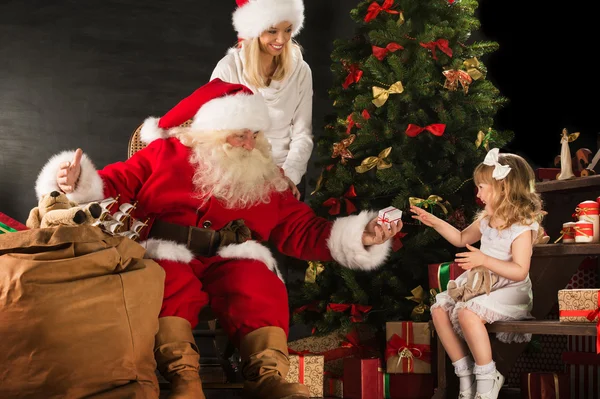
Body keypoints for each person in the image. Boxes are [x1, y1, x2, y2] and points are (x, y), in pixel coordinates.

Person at [35, 78, 401, 399]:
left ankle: (268, 377)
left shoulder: (265, 175)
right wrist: (75, 182)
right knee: (166, 278)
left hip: (231, 254)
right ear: (210, 131)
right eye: (238, 133)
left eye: (254, 134)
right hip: (165, 248)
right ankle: (183, 378)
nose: (247, 143)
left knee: (257, 279)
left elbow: (301, 229)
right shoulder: (163, 154)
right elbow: (113, 185)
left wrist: (362, 236)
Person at [410, 148, 544, 399]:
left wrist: (483, 259)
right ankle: (465, 376)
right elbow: (461, 238)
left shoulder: (522, 227)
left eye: (483, 187)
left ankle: (487, 375)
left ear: (503, 189)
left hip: (510, 290)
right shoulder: (487, 220)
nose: (478, 193)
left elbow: (519, 271)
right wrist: (435, 221)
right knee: (439, 310)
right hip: (484, 286)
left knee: (467, 312)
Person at [210, 0, 313, 199]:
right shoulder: (228, 69)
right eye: (272, 31)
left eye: (288, 29)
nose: (281, 39)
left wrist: (287, 175)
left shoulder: (301, 71)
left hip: (288, 177)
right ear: (254, 30)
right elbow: (214, 137)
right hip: (240, 178)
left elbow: (303, 134)